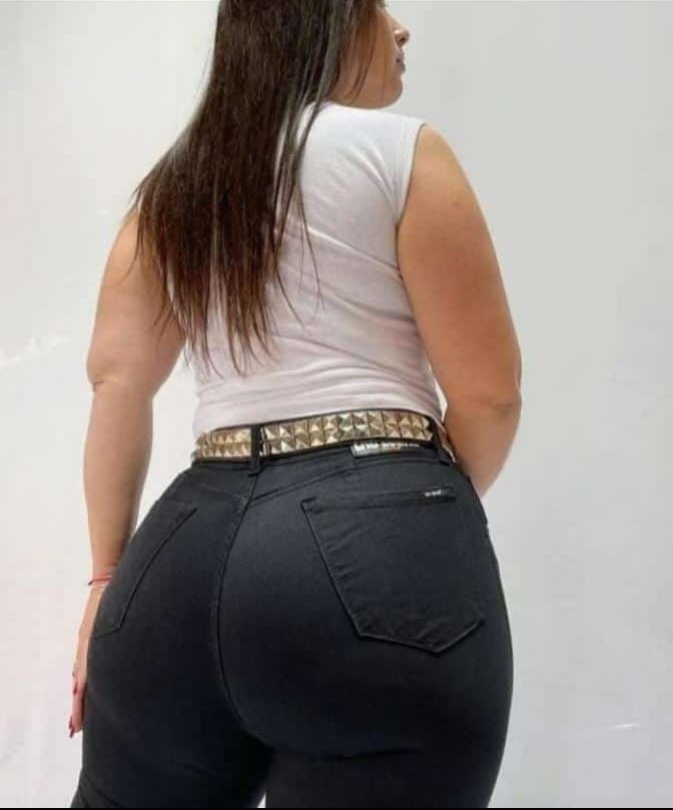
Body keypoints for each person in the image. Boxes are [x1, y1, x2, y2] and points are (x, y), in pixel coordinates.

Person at [68, 0, 522, 806]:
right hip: (374, 536)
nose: (400, 28)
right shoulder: (401, 153)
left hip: (175, 564)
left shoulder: (175, 186)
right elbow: (488, 397)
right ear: (323, 19)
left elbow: (118, 382)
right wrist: (403, 525)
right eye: (378, 6)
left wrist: (107, 582)